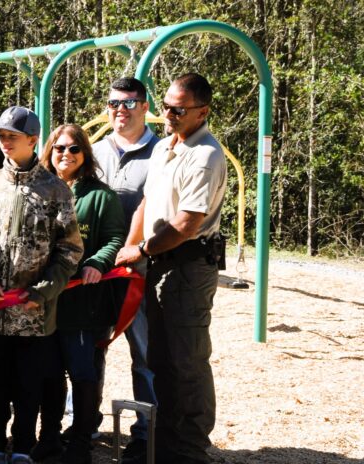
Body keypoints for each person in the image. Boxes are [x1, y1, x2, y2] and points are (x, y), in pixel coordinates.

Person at [114, 73, 228, 464]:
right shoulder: (165, 147)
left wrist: (141, 250)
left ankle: (191, 449)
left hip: (188, 266)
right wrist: (132, 245)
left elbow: (187, 223)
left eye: (178, 109)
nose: (168, 114)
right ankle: (163, 443)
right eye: (165, 106)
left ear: (203, 111)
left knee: (187, 360)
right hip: (161, 265)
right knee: (160, 358)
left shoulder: (207, 155)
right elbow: (147, 204)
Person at [0, 106, 83, 464]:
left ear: (33, 140)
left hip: (35, 313)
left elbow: (70, 249)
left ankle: (24, 448)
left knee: (30, 385)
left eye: (12, 137)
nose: (5, 143)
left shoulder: (55, 190)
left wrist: (44, 290)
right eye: (1, 137)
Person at [38, 124, 127, 463]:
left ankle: (80, 443)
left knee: (82, 373)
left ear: (85, 155)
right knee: (48, 373)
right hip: (44, 302)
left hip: (83, 302)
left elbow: (116, 239)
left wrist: (98, 264)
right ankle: (48, 438)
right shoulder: (38, 190)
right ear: (49, 151)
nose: (66, 154)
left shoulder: (102, 196)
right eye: (59, 148)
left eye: (74, 149)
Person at [92, 76, 161, 459]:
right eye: (114, 102)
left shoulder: (163, 152)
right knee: (90, 349)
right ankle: (83, 421)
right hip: (97, 270)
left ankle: (147, 433)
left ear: (145, 106)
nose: (121, 109)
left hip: (142, 271)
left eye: (129, 103)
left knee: (146, 354)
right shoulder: (95, 151)